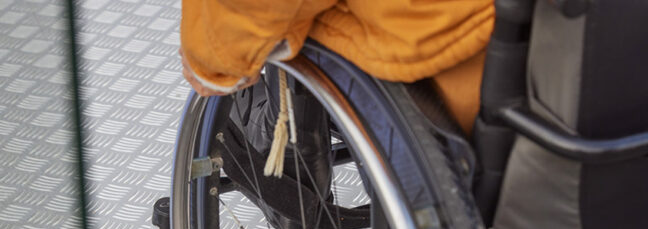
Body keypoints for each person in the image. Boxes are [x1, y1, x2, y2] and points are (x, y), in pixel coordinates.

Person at [180, 0, 493, 135]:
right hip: (532, 69)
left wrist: (212, 61)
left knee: (286, 30)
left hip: (458, 97)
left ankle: (292, 154)